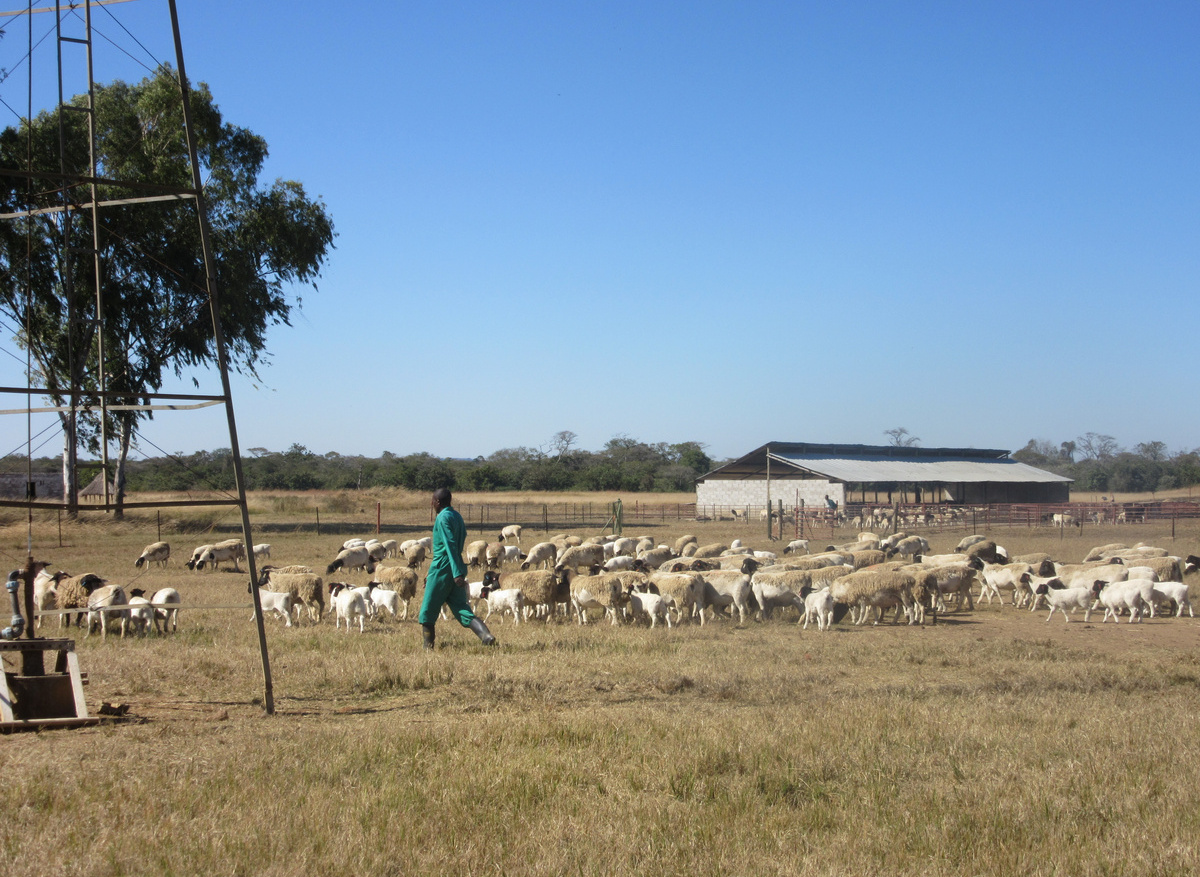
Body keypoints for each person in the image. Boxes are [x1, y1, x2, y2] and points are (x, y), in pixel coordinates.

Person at [417, 487, 496, 650]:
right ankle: (486, 636)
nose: (432, 504)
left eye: (432, 501)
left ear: (437, 502)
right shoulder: (456, 516)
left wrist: (455, 573)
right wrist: (457, 569)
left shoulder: (442, 518)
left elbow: (450, 545)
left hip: (443, 567)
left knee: (427, 609)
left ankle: (428, 647)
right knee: (461, 607)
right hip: (456, 564)